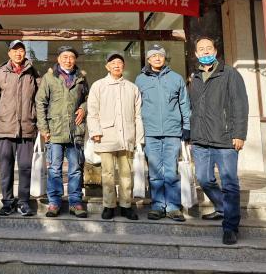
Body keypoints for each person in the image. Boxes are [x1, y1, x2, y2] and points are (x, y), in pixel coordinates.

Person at [188, 36, 248, 245]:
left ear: (215, 51)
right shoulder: (195, 77)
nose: (205, 52)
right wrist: (191, 134)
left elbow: (240, 104)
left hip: (225, 139)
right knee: (203, 178)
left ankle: (230, 227)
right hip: (200, 139)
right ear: (196, 54)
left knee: (229, 183)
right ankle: (222, 207)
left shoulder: (229, 73)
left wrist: (239, 134)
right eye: (201, 49)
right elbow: (193, 108)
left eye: (208, 48)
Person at [135, 44, 191, 222]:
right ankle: (158, 205)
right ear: (148, 59)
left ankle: (173, 206)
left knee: (171, 171)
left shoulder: (176, 78)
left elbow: (184, 104)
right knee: (155, 172)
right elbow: (136, 107)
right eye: (153, 56)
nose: (157, 58)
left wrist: (187, 127)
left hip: (172, 131)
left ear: (165, 58)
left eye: (160, 55)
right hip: (150, 132)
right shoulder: (140, 80)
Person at [87, 52, 144, 220]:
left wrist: (139, 139)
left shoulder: (132, 88)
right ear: (107, 67)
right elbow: (92, 112)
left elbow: (138, 115)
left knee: (126, 173)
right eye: (113, 63)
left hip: (127, 136)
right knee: (108, 173)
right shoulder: (98, 86)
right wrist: (95, 132)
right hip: (106, 136)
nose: (116, 65)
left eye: (119, 62)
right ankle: (109, 205)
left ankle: (126, 205)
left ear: (123, 66)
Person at [0, 40, 40, 216]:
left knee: (25, 167)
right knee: (6, 167)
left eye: (21, 50)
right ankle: (7, 202)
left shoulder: (32, 72)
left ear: (25, 53)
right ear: (9, 53)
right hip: (5, 127)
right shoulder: (0, 73)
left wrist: (39, 124)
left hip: (26, 127)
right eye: (15, 50)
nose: (18, 53)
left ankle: (23, 202)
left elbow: (39, 100)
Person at [36, 45, 89, 218]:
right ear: (58, 59)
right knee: (54, 169)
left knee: (75, 169)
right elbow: (40, 102)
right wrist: (43, 128)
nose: (68, 60)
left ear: (75, 60)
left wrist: (84, 108)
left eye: (71, 57)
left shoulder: (81, 77)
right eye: (64, 57)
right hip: (55, 130)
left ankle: (75, 202)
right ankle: (54, 203)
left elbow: (88, 98)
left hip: (75, 131)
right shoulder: (49, 77)